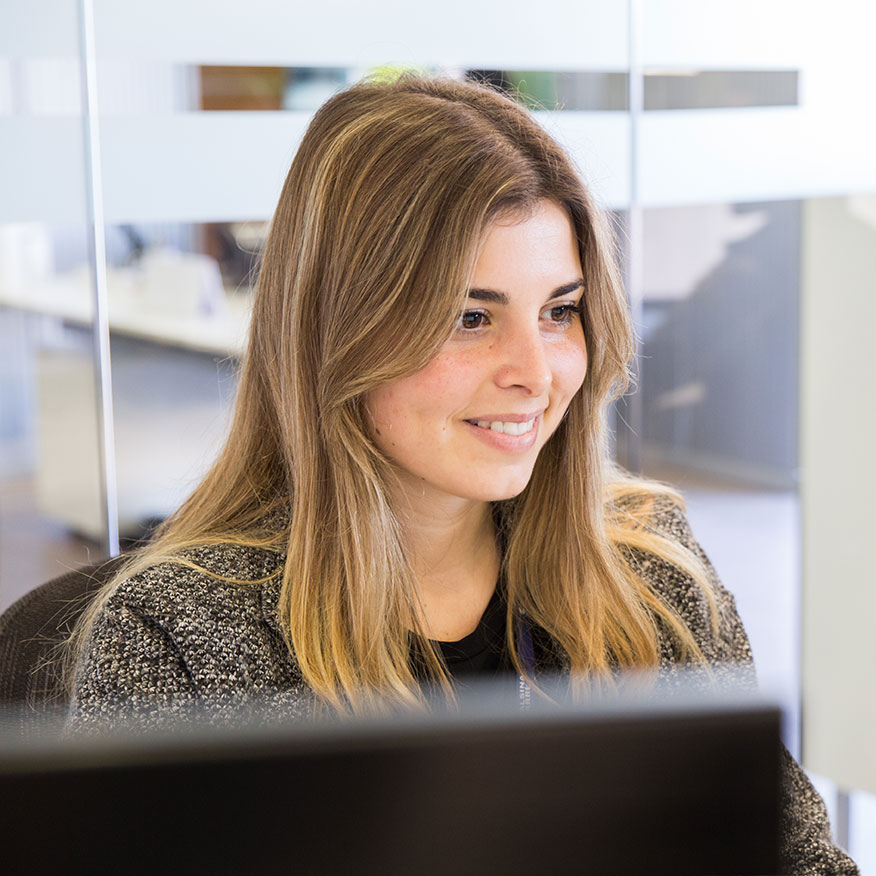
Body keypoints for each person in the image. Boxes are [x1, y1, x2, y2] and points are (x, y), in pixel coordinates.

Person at [67, 75, 857, 873]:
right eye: (469, 318)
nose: (535, 372)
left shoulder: (646, 571)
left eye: (559, 312)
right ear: (340, 334)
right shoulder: (178, 643)